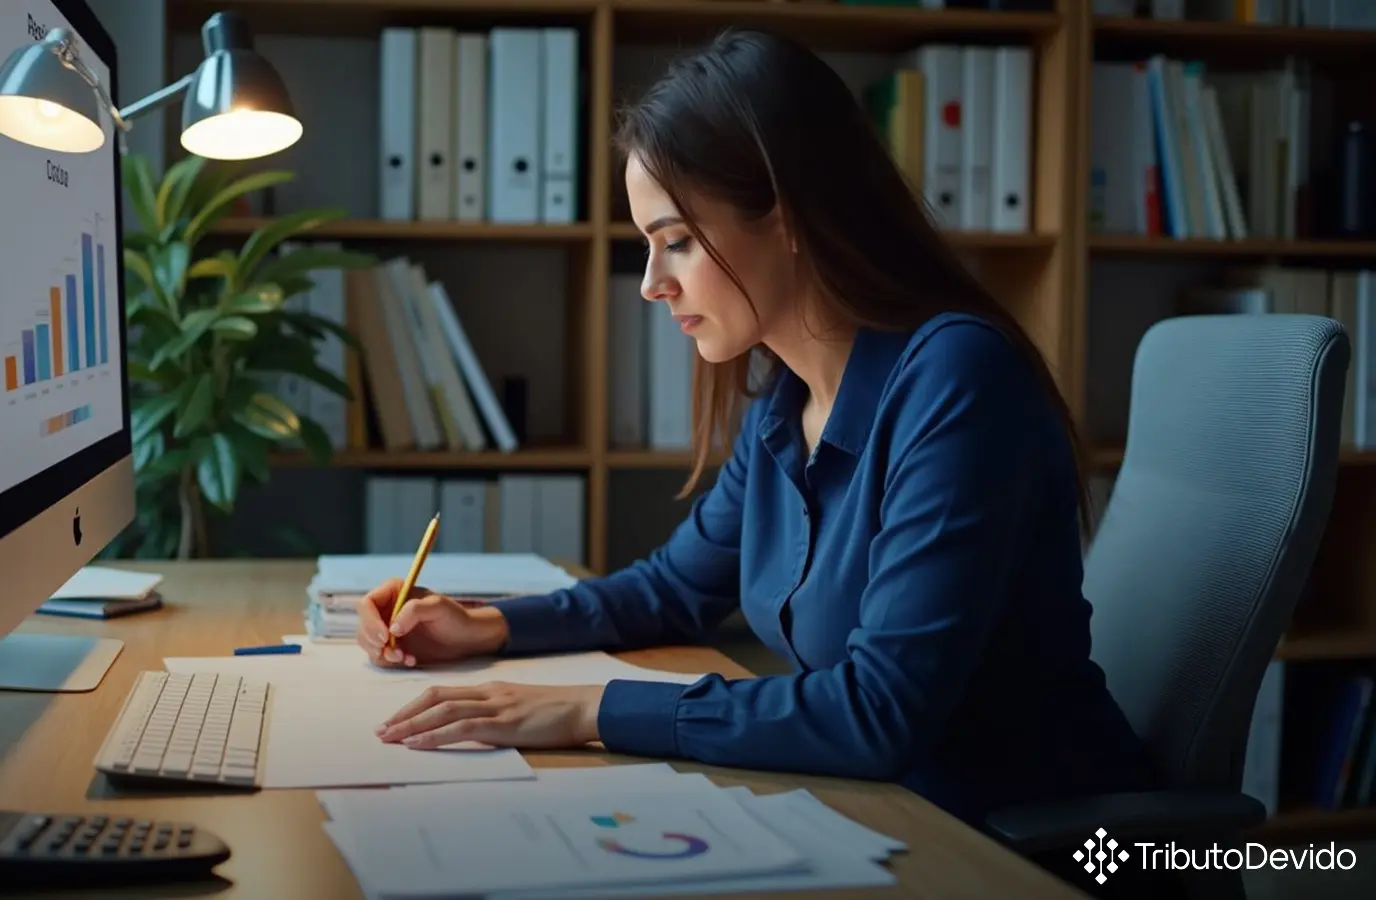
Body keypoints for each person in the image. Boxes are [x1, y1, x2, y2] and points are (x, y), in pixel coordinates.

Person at [356, 26, 1158, 854]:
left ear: (790, 216)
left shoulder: (957, 380)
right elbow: (673, 588)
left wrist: (585, 710)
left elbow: (879, 711)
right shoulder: (788, 403)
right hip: (882, 818)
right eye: (647, 246)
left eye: (676, 241)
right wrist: (487, 625)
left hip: (1018, 850)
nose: (652, 284)